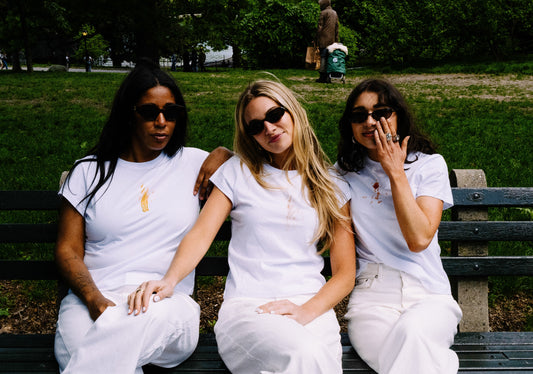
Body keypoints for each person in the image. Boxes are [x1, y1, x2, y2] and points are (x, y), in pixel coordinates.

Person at [128, 80, 356, 374]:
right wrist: (170, 280)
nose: (269, 129)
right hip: (250, 309)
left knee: (314, 360)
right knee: (305, 355)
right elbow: (201, 235)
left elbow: (345, 274)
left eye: (275, 115)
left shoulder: (331, 183)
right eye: (256, 126)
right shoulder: (238, 173)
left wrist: (304, 312)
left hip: (312, 308)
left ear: (293, 111)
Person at [54, 59, 229, 373]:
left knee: (98, 352)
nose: (161, 122)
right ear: (128, 115)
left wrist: (227, 154)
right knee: (93, 349)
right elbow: (67, 249)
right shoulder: (88, 172)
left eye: (171, 113)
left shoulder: (194, 164)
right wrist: (93, 299)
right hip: (92, 300)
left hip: (166, 303)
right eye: (150, 112)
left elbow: (265, 167)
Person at [336, 78, 463, 373]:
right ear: (351, 127)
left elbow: (419, 239)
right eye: (359, 116)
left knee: (412, 336)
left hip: (429, 294)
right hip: (372, 298)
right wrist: (222, 156)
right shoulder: (341, 175)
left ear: (399, 118)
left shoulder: (429, 166)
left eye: (381, 112)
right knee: (414, 357)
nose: (370, 122)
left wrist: (395, 171)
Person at [315, 0, 338, 83]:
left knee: (323, 57)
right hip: (332, 40)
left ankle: (322, 77)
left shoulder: (323, 13)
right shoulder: (334, 13)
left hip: (323, 39)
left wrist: (316, 38)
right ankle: (329, 76)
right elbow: (337, 28)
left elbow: (320, 28)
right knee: (330, 58)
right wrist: (336, 40)